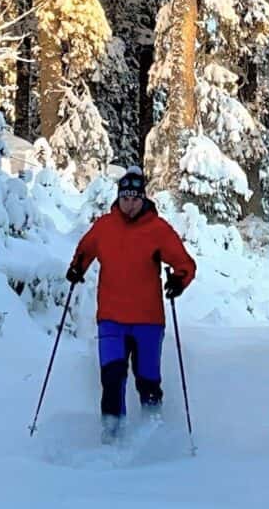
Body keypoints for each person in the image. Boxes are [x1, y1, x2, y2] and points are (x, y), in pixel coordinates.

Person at [66, 166, 198, 442]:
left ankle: (154, 433)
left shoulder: (158, 229)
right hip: (111, 318)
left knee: (147, 379)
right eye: (125, 198)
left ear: (143, 199)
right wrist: (77, 268)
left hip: (148, 321)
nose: (129, 204)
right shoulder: (104, 226)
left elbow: (184, 263)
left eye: (134, 198)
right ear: (118, 198)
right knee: (112, 377)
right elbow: (85, 250)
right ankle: (112, 434)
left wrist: (178, 280)